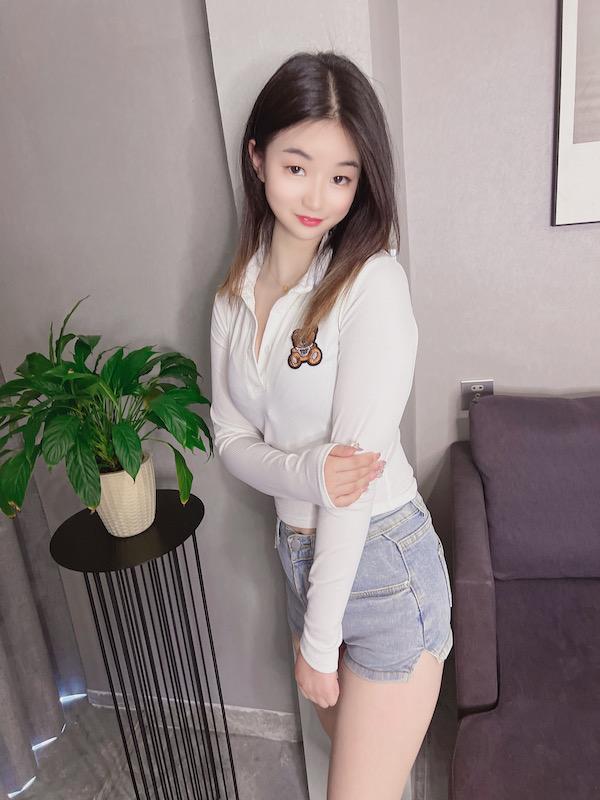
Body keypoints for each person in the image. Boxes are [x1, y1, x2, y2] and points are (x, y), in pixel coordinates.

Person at [209, 49, 453, 799]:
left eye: (342, 177)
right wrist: (308, 472)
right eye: (296, 167)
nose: (318, 196)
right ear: (257, 158)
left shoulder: (371, 284)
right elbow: (228, 440)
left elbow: (353, 486)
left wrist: (318, 645)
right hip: (299, 555)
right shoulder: (233, 292)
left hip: (379, 560)